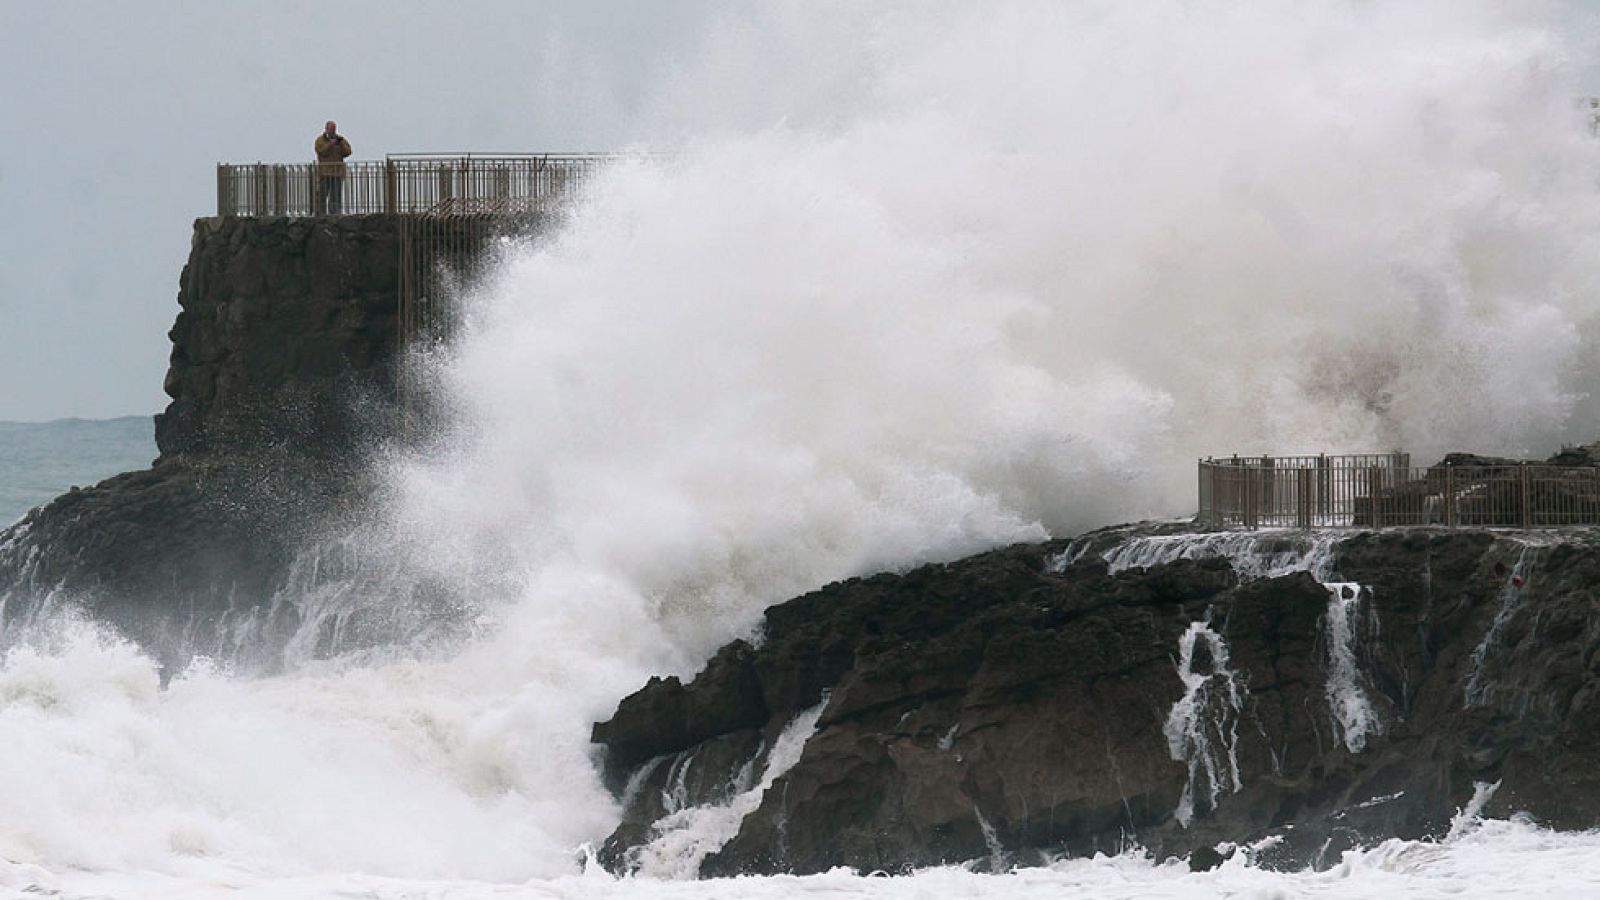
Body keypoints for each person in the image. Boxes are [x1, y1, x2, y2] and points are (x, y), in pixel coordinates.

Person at [314, 121, 353, 215]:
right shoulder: (320, 140)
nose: (332, 131)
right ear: (326, 129)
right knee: (323, 193)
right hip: (325, 172)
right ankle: (321, 212)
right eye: (331, 129)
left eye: (334, 129)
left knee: (336, 194)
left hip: (337, 171)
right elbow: (321, 151)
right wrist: (330, 144)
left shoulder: (340, 140)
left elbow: (348, 152)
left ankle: (335, 212)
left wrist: (340, 144)